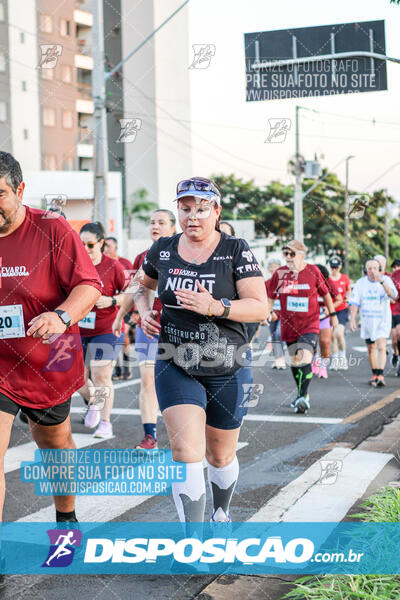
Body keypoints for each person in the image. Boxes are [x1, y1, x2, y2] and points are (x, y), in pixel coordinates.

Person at [129, 177, 267, 523]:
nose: (193, 216)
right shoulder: (163, 249)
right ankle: (193, 544)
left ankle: (221, 516)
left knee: (219, 456)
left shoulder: (235, 249)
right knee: (185, 451)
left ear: (216, 211)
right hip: (175, 361)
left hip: (228, 365)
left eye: (202, 209)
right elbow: (139, 285)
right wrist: (144, 312)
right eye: (185, 208)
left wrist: (216, 306)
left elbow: (259, 307)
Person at [0, 152, 101, 545]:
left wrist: (61, 316)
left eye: (0, 194)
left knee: (54, 444)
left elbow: (89, 285)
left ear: (21, 191)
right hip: (1, 363)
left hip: (47, 360)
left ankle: (66, 514)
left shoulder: (52, 229)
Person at [113, 209, 177, 450]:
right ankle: (150, 435)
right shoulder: (142, 257)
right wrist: (120, 316)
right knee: (148, 381)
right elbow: (135, 288)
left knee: (177, 383)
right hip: (148, 327)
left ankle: (189, 431)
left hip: (179, 330)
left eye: (161, 222)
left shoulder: (184, 251)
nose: (155, 226)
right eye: (152, 222)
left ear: (173, 227)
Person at [266, 241, 338, 414]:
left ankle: (303, 395)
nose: (289, 258)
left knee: (305, 356)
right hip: (288, 326)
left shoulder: (313, 271)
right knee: (295, 361)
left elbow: (326, 293)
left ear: (302, 254)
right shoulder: (280, 273)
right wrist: (268, 311)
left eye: (292, 254)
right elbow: (270, 295)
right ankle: (301, 395)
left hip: (310, 324)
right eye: (286, 254)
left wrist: (333, 314)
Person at [77, 222, 127, 438]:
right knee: (74, 377)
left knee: (101, 374)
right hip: (78, 328)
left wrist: (112, 300)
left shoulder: (113, 267)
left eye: (89, 244)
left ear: (101, 243)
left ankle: (105, 424)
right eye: (81, 244)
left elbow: (130, 294)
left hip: (107, 328)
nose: (85, 249)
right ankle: (94, 403)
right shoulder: (74, 265)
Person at [349, 258, 397, 387]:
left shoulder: (386, 280)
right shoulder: (361, 283)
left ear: (380, 269)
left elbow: (393, 295)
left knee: (381, 347)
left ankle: (380, 375)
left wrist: (381, 281)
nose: (372, 271)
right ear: (365, 270)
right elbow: (354, 302)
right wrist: (353, 318)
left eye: (375, 268)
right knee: (371, 349)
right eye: (369, 268)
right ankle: (374, 373)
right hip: (367, 321)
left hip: (382, 320)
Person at [104, 236, 134, 380]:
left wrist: (135, 313)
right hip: (108, 308)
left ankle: (127, 366)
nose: (106, 248)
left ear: (115, 247)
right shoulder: (100, 263)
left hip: (125, 305)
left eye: (109, 246)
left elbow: (134, 288)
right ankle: (116, 369)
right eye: (105, 245)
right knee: (112, 336)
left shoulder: (125, 263)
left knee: (125, 335)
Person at [312, 264, 342, 379]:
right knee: (312, 343)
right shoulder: (308, 284)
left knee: (325, 342)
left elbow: (339, 299)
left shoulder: (328, 283)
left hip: (325, 317)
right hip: (311, 318)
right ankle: (315, 361)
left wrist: (329, 309)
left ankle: (323, 367)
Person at [328, 256, 351, 370]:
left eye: (336, 267)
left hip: (341, 309)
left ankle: (342, 357)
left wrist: (347, 296)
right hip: (330, 310)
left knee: (339, 334)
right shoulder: (327, 279)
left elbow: (348, 290)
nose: (334, 270)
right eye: (332, 267)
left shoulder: (344, 278)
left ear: (340, 267)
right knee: (332, 336)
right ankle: (335, 359)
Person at [265, 258, 286, 369]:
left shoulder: (285, 282)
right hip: (271, 313)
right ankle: (278, 360)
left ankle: (283, 359)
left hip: (284, 314)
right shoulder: (266, 283)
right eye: (271, 267)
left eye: (275, 266)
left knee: (279, 333)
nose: (273, 269)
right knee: (273, 336)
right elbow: (265, 299)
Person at [390, 259, 400, 374]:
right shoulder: (393, 276)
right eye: (394, 266)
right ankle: (396, 355)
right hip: (396, 310)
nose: (396, 268)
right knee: (395, 337)